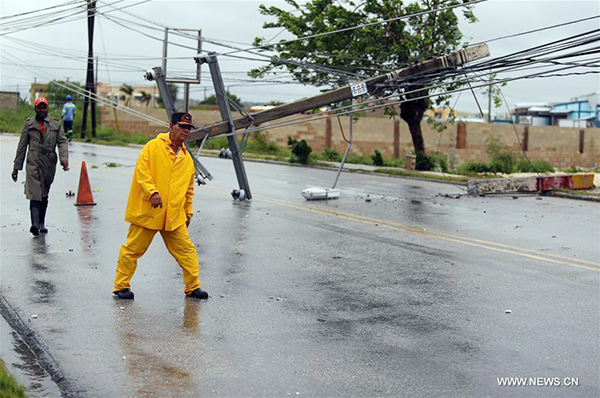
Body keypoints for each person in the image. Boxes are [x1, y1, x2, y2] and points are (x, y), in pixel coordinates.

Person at [112, 112, 208, 300]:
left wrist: (188, 212)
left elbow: (189, 189)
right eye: (182, 126)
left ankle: (193, 287)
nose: (186, 131)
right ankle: (121, 286)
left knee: (186, 251)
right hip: (149, 211)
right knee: (132, 250)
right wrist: (152, 192)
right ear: (170, 126)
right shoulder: (152, 147)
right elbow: (142, 172)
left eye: (188, 128)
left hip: (174, 216)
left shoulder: (187, 159)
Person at [12, 97, 69, 236]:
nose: (42, 110)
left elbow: (62, 142)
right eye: (39, 107)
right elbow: (22, 147)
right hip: (34, 161)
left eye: (44, 107)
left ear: (47, 109)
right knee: (34, 192)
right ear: (35, 109)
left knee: (44, 192)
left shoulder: (56, 124)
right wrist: (16, 168)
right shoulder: (29, 124)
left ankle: (41, 222)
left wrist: (64, 159)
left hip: (49, 162)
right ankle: (35, 224)